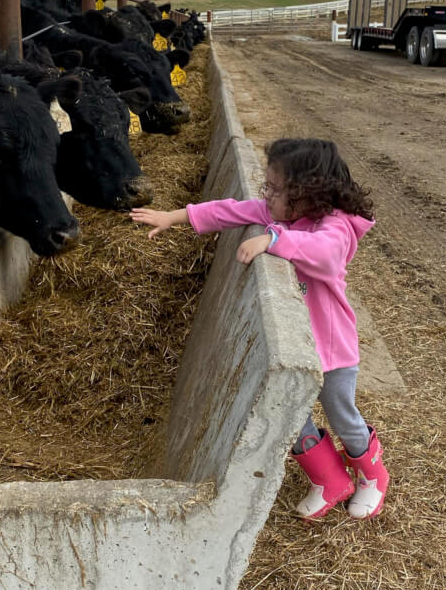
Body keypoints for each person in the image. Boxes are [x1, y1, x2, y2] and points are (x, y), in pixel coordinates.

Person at [130, 137, 388, 521]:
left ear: (307, 194)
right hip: (295, 344)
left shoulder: (335, 226)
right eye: (267, 186)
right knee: (289, 413)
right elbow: (230, 210)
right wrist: (174, 216)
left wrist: (273, 238)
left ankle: (372, 475)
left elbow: (326, 254)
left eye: (276, 189)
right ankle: (329, 478)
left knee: (341, 414)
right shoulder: (280, 213)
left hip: (332, 349)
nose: (266, 195)